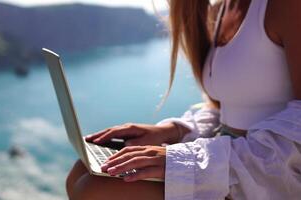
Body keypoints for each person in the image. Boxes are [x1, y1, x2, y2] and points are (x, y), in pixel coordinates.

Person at [66, 0, 301, 199]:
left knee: (96, 189)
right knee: (83, 170)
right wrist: (174, 131)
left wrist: (186, 161)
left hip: (272, 181)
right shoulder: (220, 10)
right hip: (236, 167)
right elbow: (230, 109)